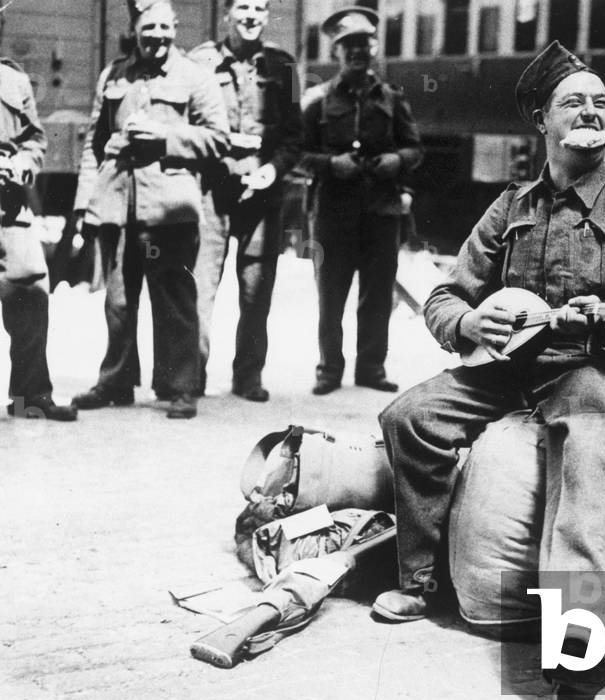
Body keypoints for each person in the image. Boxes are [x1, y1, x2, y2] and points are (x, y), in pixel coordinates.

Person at [372, 41, 605, 700]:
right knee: (409, 416)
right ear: (543, 123)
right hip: (511, 369)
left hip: (602, 372)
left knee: (586, 455)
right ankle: (418, 578)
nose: (591, 111)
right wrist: (470, 326)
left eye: (601, 102)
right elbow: (446, 296)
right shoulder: (512, 206)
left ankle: (576, 649)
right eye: (574, 102)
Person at [71, 0, 229, 419]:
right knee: (119, 302)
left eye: (165, 26)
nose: (158, 35)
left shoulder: (195, 77)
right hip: (118, 206)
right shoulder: (114, 74)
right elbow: (94, 143)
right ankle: (116, 381)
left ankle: (180, 388)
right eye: (149, 27)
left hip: (169, 210)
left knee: (174, 299)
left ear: (175, 27)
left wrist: (166, 136)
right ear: (134, 28)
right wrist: (85, 204)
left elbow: (218, 139)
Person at [300, 7, 423, 395]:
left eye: (362, 45)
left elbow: (415, 148)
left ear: (373, 49)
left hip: (381, 211)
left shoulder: (392, 97)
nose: (356, 52)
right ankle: (328, 370)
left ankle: (371, 368)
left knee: (377, 293)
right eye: (347, 46)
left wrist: (397, 160)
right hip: (332, 212)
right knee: (330, 295)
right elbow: (298, 153)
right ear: (336, 51)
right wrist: (330, 164)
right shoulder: (318, 100)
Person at [188, 0, 302, 402]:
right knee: (200, 288)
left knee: (256, 291)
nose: (251, 15)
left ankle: (248, 375)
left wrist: (272, 170)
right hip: (211, 193)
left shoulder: (284, 68)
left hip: (261, 194)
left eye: (259, 7)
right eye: (243, 7)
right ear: (226, 15)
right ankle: (191, 375)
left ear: (267, 16)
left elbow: (293, 136)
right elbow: (188, 126)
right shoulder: (198, 63)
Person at [0, 56, 77, 422]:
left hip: (8, 205)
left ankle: (27, 397)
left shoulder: (12, 80)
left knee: (30, 292)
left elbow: (34, 140)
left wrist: (23, 165)